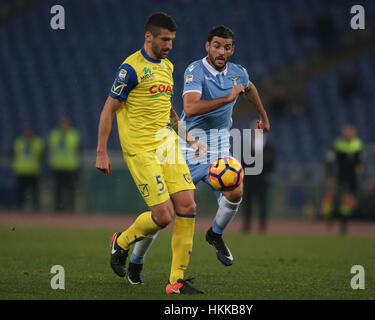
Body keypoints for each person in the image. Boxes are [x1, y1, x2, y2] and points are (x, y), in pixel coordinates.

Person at [130, 25, 270, 281]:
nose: (221, 51)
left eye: (227, 47)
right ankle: (136, 260)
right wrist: (228, 99)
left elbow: (249, 89)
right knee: (164, 215)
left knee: (236, 191)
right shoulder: (195, 70)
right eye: (216, 45)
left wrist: (263, 115)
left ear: (232, 49)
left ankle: (215, 235)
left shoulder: (238, 72)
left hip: (217, 151)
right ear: (207, 46)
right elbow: (191, 108)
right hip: (186, 149)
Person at [95, 12, 207, 294]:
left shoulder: (167, 66)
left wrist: (189, 138)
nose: (170, 45)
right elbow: (109, 109)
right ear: (149, 36)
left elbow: (167, 110)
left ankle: (176, 282)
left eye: (172, 40)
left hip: (166, 143)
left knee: (188, 207)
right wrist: (101, 152)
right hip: (140, 148)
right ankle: (121, 241)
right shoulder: (130, 69)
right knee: (164, 215)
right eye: (164, 39)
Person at [329, 124, 363, 234]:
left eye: (350, 131)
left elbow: (360, 160)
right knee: (345, 199)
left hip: (353, 177)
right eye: (346, 131)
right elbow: (331, 161)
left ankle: (334, 214)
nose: (348, 133)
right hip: (342, 176)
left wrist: (359, 167)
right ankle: (343, 225)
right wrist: (331, 176)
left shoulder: (358, 144)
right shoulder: (338, 144)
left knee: (351, 204)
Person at [243, 120, 275, 232]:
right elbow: (242, 162)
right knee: (247, 203)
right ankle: (246, 225)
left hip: (262, 180)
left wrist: (269, 175)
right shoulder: (246, 145)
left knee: (263, 203)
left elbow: (271, 162)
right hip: (249, 179)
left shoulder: (268, 145)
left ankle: (262, 226)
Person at [48, 117, 81, 212]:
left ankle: (70, 208)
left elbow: (78, 149)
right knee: (57, 190)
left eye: (65, 124)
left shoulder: (74, 135)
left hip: (70, 167)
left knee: (70, 190)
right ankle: (58, 209)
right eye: (62, 124)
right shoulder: (54, 135)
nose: (64, 126)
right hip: (57, 166)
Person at [12, 126, 44, 211]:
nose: (28, 134)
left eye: (30, 132)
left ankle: (36, 208)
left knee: (35, 191)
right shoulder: (18, 142)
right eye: (27, 132)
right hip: (21, 170)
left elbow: (42, 156)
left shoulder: (37, 142)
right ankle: (20, 207)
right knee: (21, 191)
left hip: (33, 170)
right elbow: (15, 155)